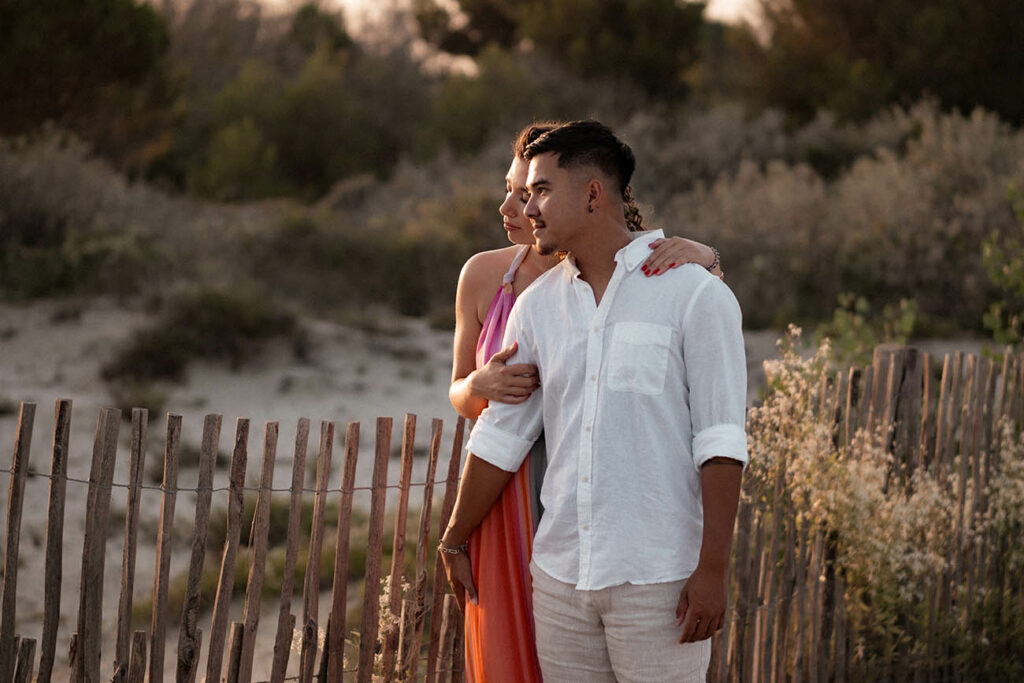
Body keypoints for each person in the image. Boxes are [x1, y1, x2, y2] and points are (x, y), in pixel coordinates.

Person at [441, 120, 747, 682]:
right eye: (525, 192)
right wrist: (455, 536)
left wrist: (712, 571)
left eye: (540, 191)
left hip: (658, 582)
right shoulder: (537, 307)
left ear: (591, 194)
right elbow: (501, 436)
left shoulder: (695, 293)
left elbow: (721, 442)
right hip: (559, 581)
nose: (525, 207)